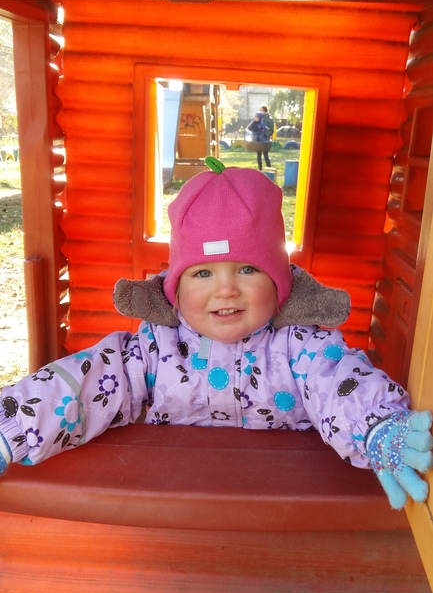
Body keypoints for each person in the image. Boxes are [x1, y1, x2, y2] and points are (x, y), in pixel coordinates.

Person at [1, 159, 432, 511]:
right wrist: (15, 425)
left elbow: (338, 382)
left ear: (280, 283)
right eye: (203, 273)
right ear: (175, 288)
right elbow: (90, 378)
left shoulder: (301, 346)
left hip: (282, 511)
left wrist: (375, 426)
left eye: (247, 268)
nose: (226, 289)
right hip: (174, 509)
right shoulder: (154, 348)